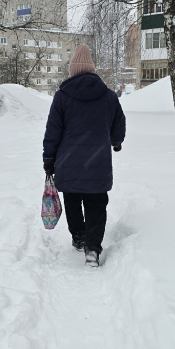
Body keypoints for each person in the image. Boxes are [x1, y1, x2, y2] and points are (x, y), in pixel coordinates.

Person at [43, 44, 126, 267]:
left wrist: (49, 160)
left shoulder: (62, 97)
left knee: (72, 201)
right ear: (91, 69)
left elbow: (53, 131)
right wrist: (116, 142)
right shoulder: (108, 96)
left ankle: (79, 237)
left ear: (72, 70)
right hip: (98, 163)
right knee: (96, 205)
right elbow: (119, 123)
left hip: (68, 163)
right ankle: (92, 248)